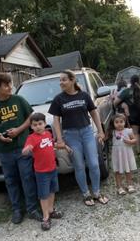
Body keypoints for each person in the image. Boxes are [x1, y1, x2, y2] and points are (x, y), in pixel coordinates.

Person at [0, 73, 43, 224]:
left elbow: (31, 117)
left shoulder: (18, 100)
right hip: (4, 150)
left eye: (10, 84)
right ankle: (17, 210)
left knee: (28, 178)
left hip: (22, 147)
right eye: (6, 85)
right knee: (11, 181)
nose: (10, 87)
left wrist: (18, 130)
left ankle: (32, 209)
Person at [48, 70, 109, 206]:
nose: (61, 83)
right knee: (79, 166)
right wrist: (59, 139)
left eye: (64, 80)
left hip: (87, 133)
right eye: (60, 80)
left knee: (94, 163)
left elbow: (94, 113)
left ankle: (97, 192)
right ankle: (86, 194)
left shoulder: (84, 95)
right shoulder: (59, 99)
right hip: (71, 136)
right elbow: (56, 121)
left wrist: (100, 131)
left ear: (72, 80)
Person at [22, 113, 64, 231]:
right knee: (43, 194)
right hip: (41, 173)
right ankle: (45, 217)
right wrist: (26, 150)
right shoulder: (31, 138)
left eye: (40, 124)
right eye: (35, 125)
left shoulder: (48, 133)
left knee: (52, 191)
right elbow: (25, 150)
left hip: (52, 169)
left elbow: (51, 146)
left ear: (45, 124)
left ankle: (51, 210)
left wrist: (63, 146)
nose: (38, 127)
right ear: (31, 127)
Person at [105, 113, 137, 195]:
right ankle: (119, 187)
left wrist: (130, 141)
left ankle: (130, 185)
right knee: (117, 171)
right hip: (117, 154)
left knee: (128, 169)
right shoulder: (112, 132)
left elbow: (134, 140)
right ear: (113, 123)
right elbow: (105, 138)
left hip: (127, 153)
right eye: (116, 122)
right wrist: (101, 137)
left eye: (121, 121)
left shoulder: (128, 131)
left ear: (125, 122)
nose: (119, 124)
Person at [114, 74, 140, 154]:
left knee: (126, 132)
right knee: (135, 133)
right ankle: (138, 152)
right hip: (138, 114)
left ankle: (130, 151)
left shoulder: (126, 91)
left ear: (130, 82)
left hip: (128, 115)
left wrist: (122, 104)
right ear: (138, 81)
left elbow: (115, 102)